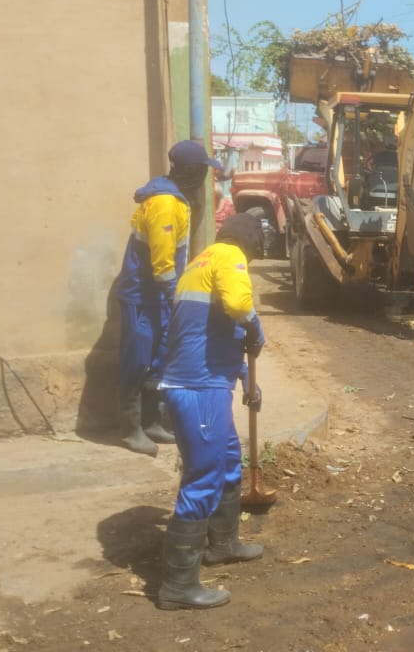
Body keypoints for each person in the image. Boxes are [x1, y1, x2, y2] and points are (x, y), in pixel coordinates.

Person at [156, 213, 266, 611]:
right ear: (251, 246)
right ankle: (177, 586)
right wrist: (253, 323)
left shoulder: (200, 261)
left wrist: (242, 376)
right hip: (198, 386)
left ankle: (223, 544)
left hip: (207, 381)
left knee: (228, 459)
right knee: (203, 476)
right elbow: (238, 304)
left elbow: (206, 330)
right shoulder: (229, 256)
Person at [112, 140, 223, 456]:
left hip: (156, 298)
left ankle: (150, 423)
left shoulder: (176, 201)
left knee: (158, 359)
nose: (205, 177)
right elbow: (162, 263)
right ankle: (130, 428)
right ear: (191, 172)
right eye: (202, 171)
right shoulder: (164, 204)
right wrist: (177, 299)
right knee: (138, 360)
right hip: (144, 297)